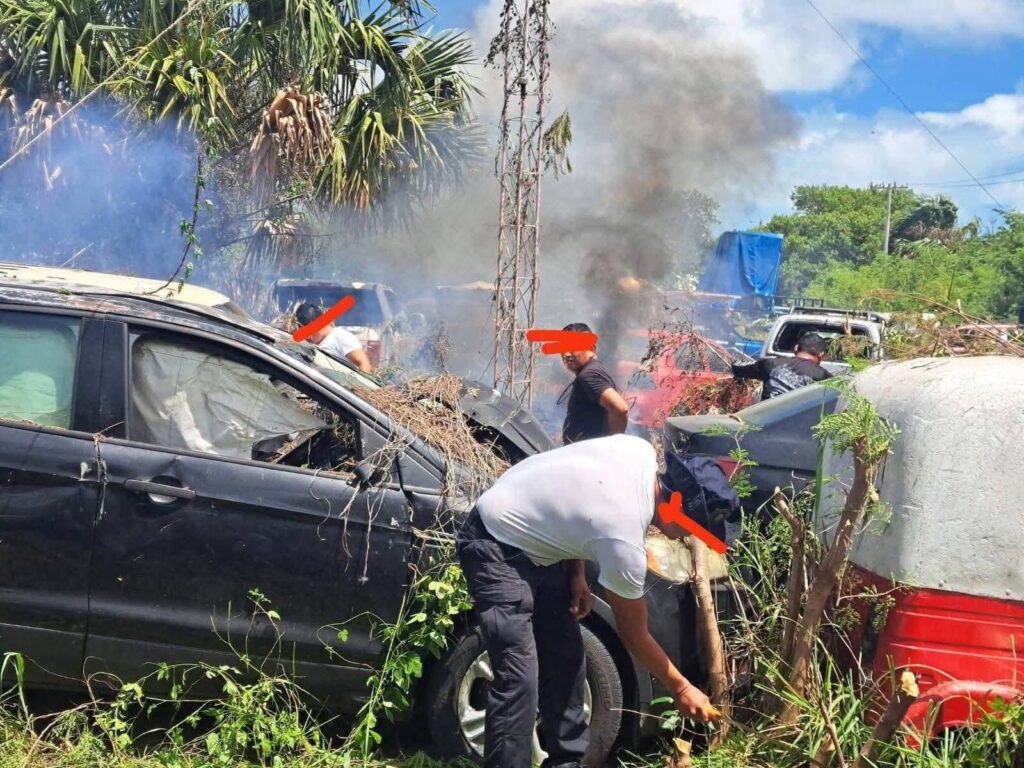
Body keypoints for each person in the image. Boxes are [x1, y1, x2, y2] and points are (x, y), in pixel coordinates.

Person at [456, 434, 718, 768]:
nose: (688, 535)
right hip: (494, 542)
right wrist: (682, 690)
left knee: (566, 656)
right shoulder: (623, 540)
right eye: (691, 526)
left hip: (544, 547)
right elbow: (634, 635)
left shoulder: (637, 450)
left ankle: (568, 763)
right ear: (676, 507)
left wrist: (576, 570)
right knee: (518, 678)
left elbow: (576, 494)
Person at [558, 322, 631, 443]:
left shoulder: (588, 375)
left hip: (589, 457)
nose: (566, 354)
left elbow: (621, 409)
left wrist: (613, 448)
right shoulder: (594, 370)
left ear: (591, 349)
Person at [731, 331, 832, 401]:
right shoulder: (823, 376)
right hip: (798, 427)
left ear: (796, 348)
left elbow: (738, 368)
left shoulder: (771, 364)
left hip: (764, 422)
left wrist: (733, 361)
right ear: (821, 354)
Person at [295, 303, 373, 373]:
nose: (306, 337)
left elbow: (364, 364)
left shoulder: (340, 337)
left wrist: (351, 389)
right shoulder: (313, 342)